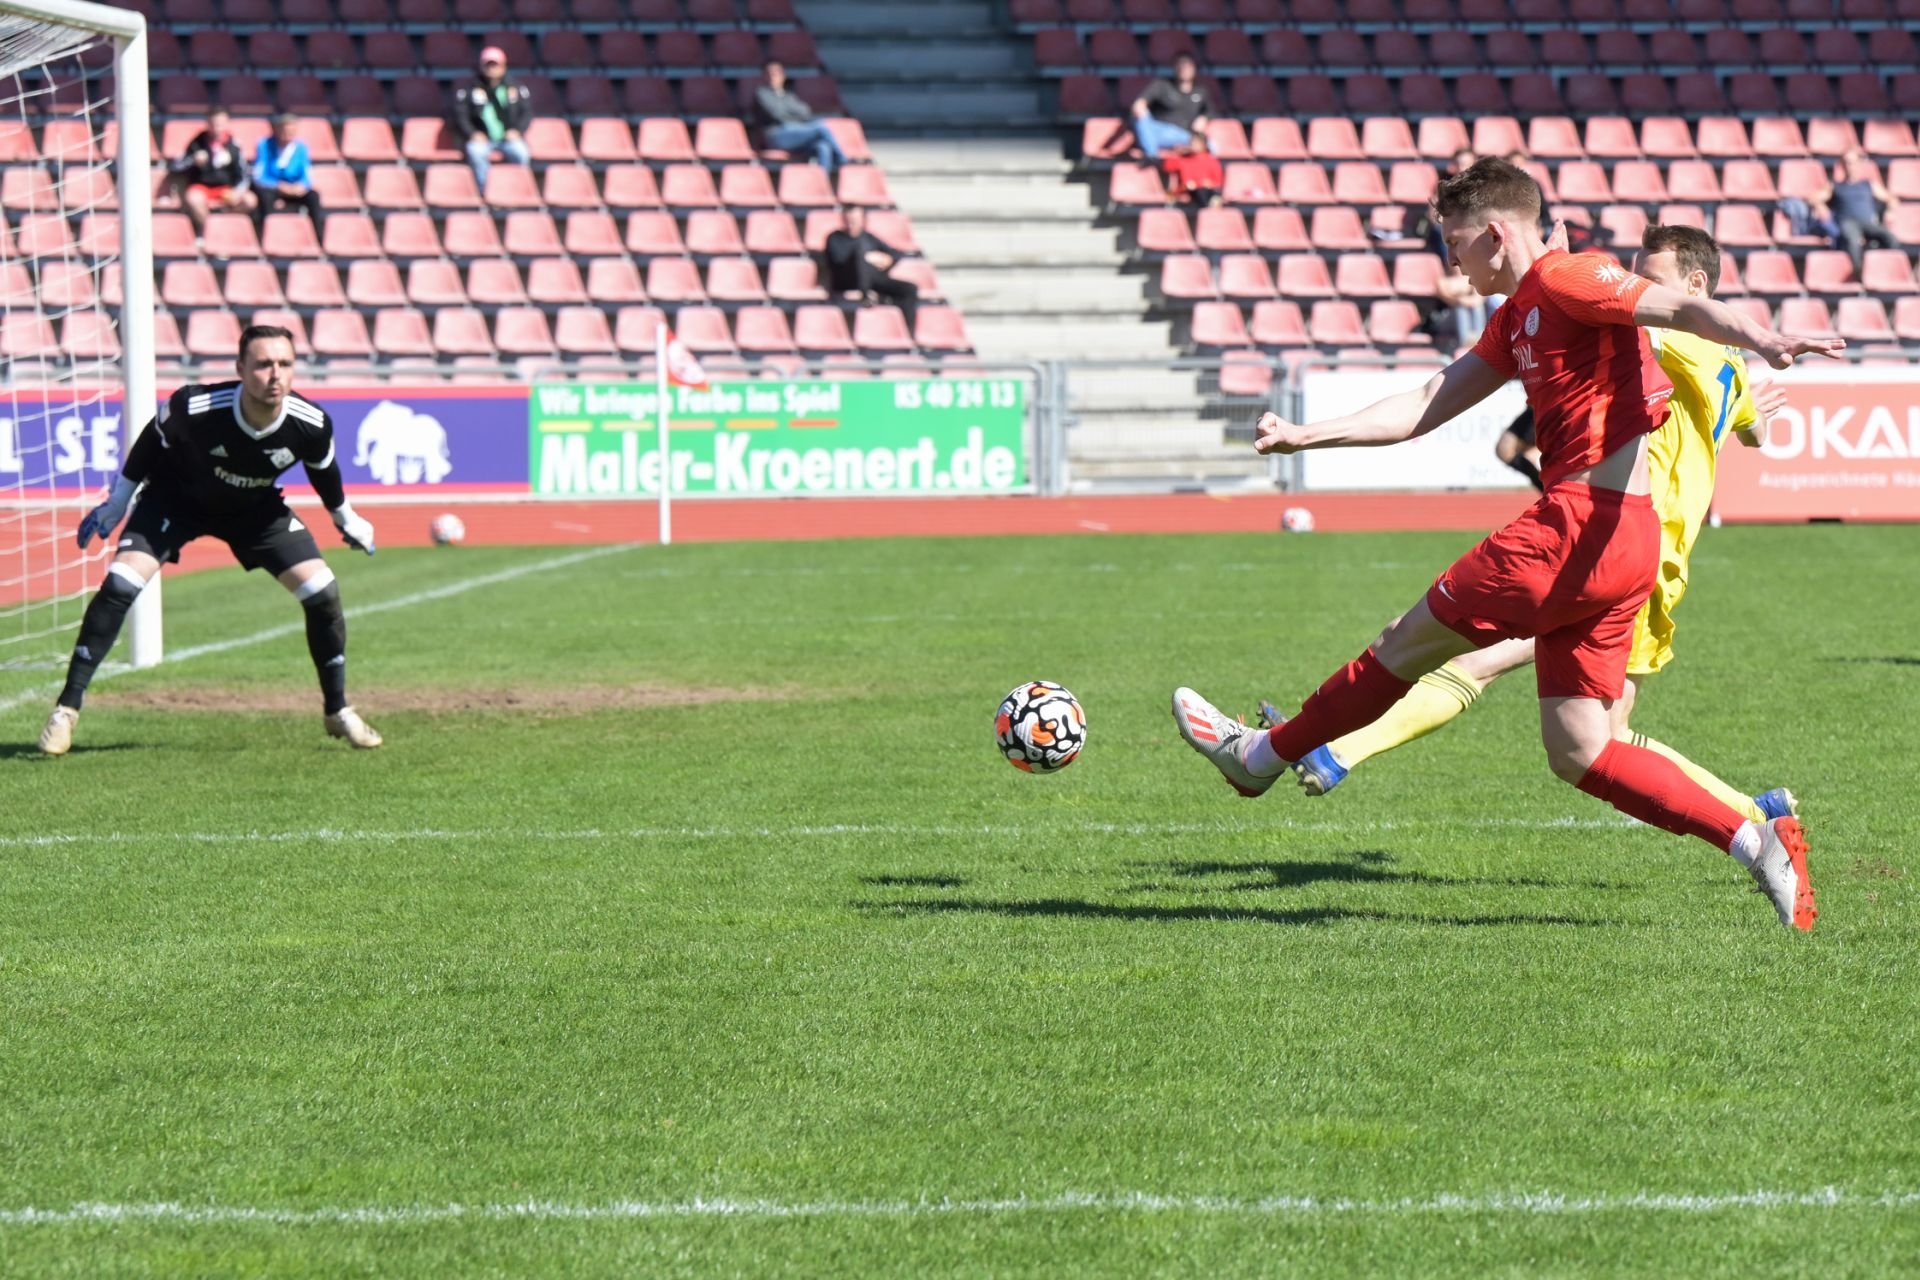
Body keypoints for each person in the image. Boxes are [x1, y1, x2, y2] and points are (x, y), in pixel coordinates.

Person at [1170, 160, 1841, 931]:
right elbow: (1427, 401)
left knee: (1404, 644)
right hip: (1628, 539)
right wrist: (1307, 434)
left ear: (1494, 233)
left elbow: (1676, 305)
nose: (1450, 262)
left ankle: (1259, 758)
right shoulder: (1519, 312)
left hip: (1572, 529)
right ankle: (1755, 841)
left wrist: (1765, 336)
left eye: (1455, 243)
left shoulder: (1566, 277)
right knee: (1581, 750)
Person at [1271, 226, 1797, 842]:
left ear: (1697, 284)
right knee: (1602, 737)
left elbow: (1613, 313)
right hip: (1654, 557)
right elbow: (1753, 431)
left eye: (1649, 278)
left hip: (1615, 550)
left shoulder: (1677, 338)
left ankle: (1335, 750)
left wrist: (1557, 272)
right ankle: (1758, 815)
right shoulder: (1727, 365)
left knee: (1484, 665)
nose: (1636, 287)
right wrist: (1752, 409)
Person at [39, 326, 383, 756]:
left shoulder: (310, 423)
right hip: (174, 501)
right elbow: (150, 443)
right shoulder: (195, 406)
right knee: (121, 584)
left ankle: (338, 710)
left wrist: (346, 518)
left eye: (284, 364)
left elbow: (323, 471)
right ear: (240, 368)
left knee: (323, 592)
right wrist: (118, 501)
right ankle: (66, 710)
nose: (275, 375)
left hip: (254, 511)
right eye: (263, 364)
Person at [167, 106, 255, 251]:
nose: (217, 128)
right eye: (213, 124)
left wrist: (238, 191)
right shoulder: (197, 142)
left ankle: (223, 224)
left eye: (220, 124)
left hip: (226, 189)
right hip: (203, 187)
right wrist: (193, 160)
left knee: (250, 200)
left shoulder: (234, 145)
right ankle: (206, 233)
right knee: (193, 199)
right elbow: (176, 166)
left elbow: (244, 173)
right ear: (208, 124)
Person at [823, 205, 918, 332]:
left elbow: (893, 254)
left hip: (872, 279)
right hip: (846, 280)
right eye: (848, 220)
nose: (851, 224)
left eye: (854, 220)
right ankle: (866, 296)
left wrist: (885, 259)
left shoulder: (868, 237)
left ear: (863, 220)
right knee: (860, 254)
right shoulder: (834, 238)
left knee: (909, 289)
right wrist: (866, 257)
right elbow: (837, 260)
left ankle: (907, 330)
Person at [455, 45, 532, 187]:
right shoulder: (469, 89)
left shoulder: (515, 88)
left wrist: (517, 131)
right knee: (475, 152)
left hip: (508, 138)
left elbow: (526, 112)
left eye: (495, 65)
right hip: (482, 139)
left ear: (503, 66)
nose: (491, 69)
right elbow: (461, 115)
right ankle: (484, 190)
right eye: (488, 65)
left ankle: (517, 188)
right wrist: (472, 133)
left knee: (520, 152)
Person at [753, 59, 847, 175]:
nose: (773, 77)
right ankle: (842, 160)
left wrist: (788, 113)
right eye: (770, 73)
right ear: (764, 76)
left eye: (777, 73)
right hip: (777, 135)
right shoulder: (761, 94)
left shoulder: (789, 96)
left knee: (823, 147)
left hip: (796, 132)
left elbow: (805, 112)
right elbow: (777, 114)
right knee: (821, 127)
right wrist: (793, 114)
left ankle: (822, 181)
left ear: (783, 76)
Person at [1816, 149, 1903, 274]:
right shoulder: (1835, 186)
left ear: (1859, 164)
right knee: (1853, 240)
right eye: (1846, 162)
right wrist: (1820, 206)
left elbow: (1891, 199)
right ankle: (1859, 274)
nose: (1849, 166)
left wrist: (1891, 211)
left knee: (1891, 239)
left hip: (1867, 224)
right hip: (1847, 223)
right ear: (1842, 165)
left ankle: (1886, 272)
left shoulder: (1868, 185)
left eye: (1852, 162)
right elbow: (1814, 198)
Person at [1129, 53, 1214, 161]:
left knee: (1211, 146)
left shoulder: (1201, 91)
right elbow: (1139, 104)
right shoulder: (1162, 85)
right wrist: (1140, 108)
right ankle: (1152, 157)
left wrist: (1204, 118)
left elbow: (1211, 111)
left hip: (1183, 134)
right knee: (1142, 119)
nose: (1184, 69)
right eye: (1181, 65)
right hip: (1158, 129)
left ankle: (1152, 156)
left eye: (1188, 66)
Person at [251, 112, 323, 232]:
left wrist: (301, 186)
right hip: (273, 188)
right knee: (264, 197)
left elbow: (306, 174)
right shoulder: (264, 145)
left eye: (291, 131)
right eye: (285, 131)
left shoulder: (301, 148)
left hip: (293, 188)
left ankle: (317, 235)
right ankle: (265, 232)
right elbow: (259, 175)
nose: (288, 135)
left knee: (313, 197)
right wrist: (278, 185)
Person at [1160, 134, 1223, 207]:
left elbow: (1217, 183)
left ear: (1204, 145)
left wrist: (1206, 184)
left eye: (1197, 143)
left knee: (1207, 195)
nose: (1194, 145)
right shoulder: (1183, 159)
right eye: (1192, 143)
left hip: (1204, 191)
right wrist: (1177, 152)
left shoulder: (1212, 161)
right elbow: (1167, 167)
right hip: (1187, 190)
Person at [1495, 407, 1542, 491]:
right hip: (1534, 408)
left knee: (1531, 457)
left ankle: (1552, 490)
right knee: (1504, 449)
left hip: (1549, 408)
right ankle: (1548, 490)